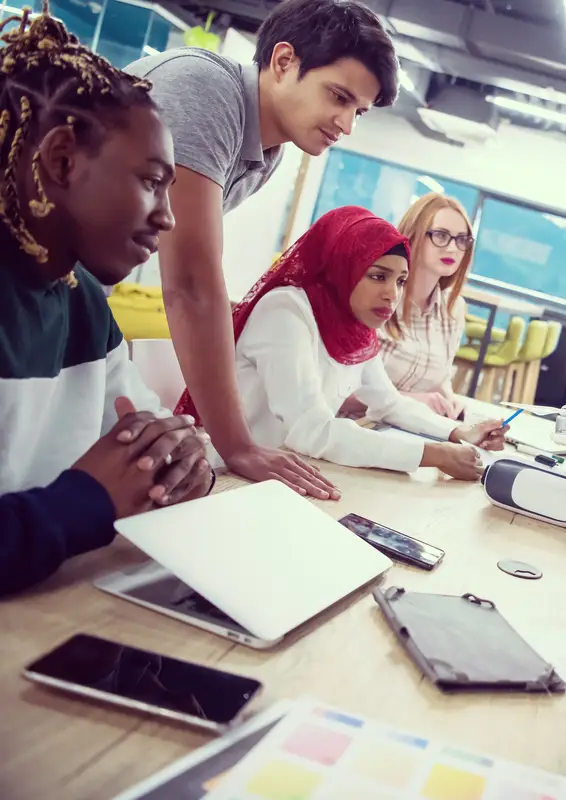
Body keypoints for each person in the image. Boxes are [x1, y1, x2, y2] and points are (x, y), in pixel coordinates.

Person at [124, 0, 398, 498]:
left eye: (357, 110)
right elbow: (189, 283)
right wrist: (238, 445)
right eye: (337, 96)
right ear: (283, 62)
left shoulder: (267, 150)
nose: (346, 124)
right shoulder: (205, 90)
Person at [0, 5, 213, 597]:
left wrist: (183, 459)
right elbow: (95, 492)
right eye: (151, 181)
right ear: (63, 159)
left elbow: (146, 437)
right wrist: (84, 503)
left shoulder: (81, 302)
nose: (168, 218)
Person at [177, 207, 506, 481]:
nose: (392, 293)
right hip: (222, 476)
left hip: (288, 472)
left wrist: (458, 434)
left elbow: (388, 403)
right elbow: (311, 430)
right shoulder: (287, 311)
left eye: (400, 281)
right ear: (342, 266)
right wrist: (434, 455)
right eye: (378, 276)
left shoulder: (353, 325)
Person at [377, 193, 475, 419]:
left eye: (462, 239)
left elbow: (440, 379)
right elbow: (338, 390)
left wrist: (449, 401)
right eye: (441, 235)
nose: (452, 249)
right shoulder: (376, 294)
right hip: (358, 429)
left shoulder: (453, 308)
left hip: (409, 429)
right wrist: (410, 401)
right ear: (413, 235)